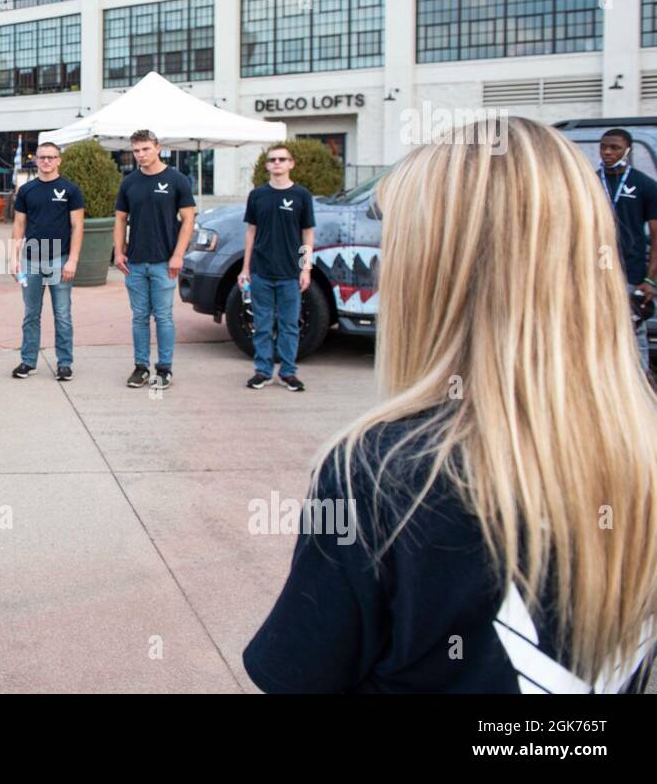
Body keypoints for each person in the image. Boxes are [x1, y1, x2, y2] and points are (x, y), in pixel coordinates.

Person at [244, 118, 657, 693]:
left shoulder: (383, 469)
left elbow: (299, 674)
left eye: (399, 241)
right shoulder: (640, 448)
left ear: (435, 266)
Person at [113, 130, 195, 388]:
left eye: (145, 149)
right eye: (136, 150)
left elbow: (188, 220)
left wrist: (178, 255)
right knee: (139, 317)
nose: (140, 155)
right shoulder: (129, 182)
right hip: (135, 261)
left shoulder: (177, 180)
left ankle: (164, 368)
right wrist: (118, 250)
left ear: (158, 148)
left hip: (164, 262)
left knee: (163, 317)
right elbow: (120, 219)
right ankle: (140, 367)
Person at [240, 143, 316, 392]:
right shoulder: (257, 195)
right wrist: (245, 268)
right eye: (273, 159)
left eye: (282, 159)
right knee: (262, 326)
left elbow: (308, 234)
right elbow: (250, 232)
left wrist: (305, 269)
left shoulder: (301, 195)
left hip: (290, 274)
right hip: (261, 272)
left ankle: (288, 373)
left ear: (291, 164)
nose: (277, 163)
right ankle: (262, 372)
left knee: (289, 326)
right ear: (266, 165)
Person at [9, 141, 84, 381]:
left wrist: (72, 260)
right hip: (31, 261)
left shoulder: (71, 190)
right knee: (31, 314)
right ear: (36, 160)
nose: (47, 161)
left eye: (51, 157)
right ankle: (28, 361)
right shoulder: (27, 190)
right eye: (42, 157)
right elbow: (19, 226)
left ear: (59, 160)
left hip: (59, 260)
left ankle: (64, 363)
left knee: (62, 314)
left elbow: (77, 227)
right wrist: (14, 259)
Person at [596, 128, 657, 373]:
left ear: (628, 150)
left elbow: (656, 237)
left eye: (614, 148)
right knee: (598, 331)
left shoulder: (644, 185)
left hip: (631, 274)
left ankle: (639, 389)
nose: (607, 153)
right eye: (604, 147)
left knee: (633, 331)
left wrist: (650, 279)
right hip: (596, 274)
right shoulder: (590, 181)